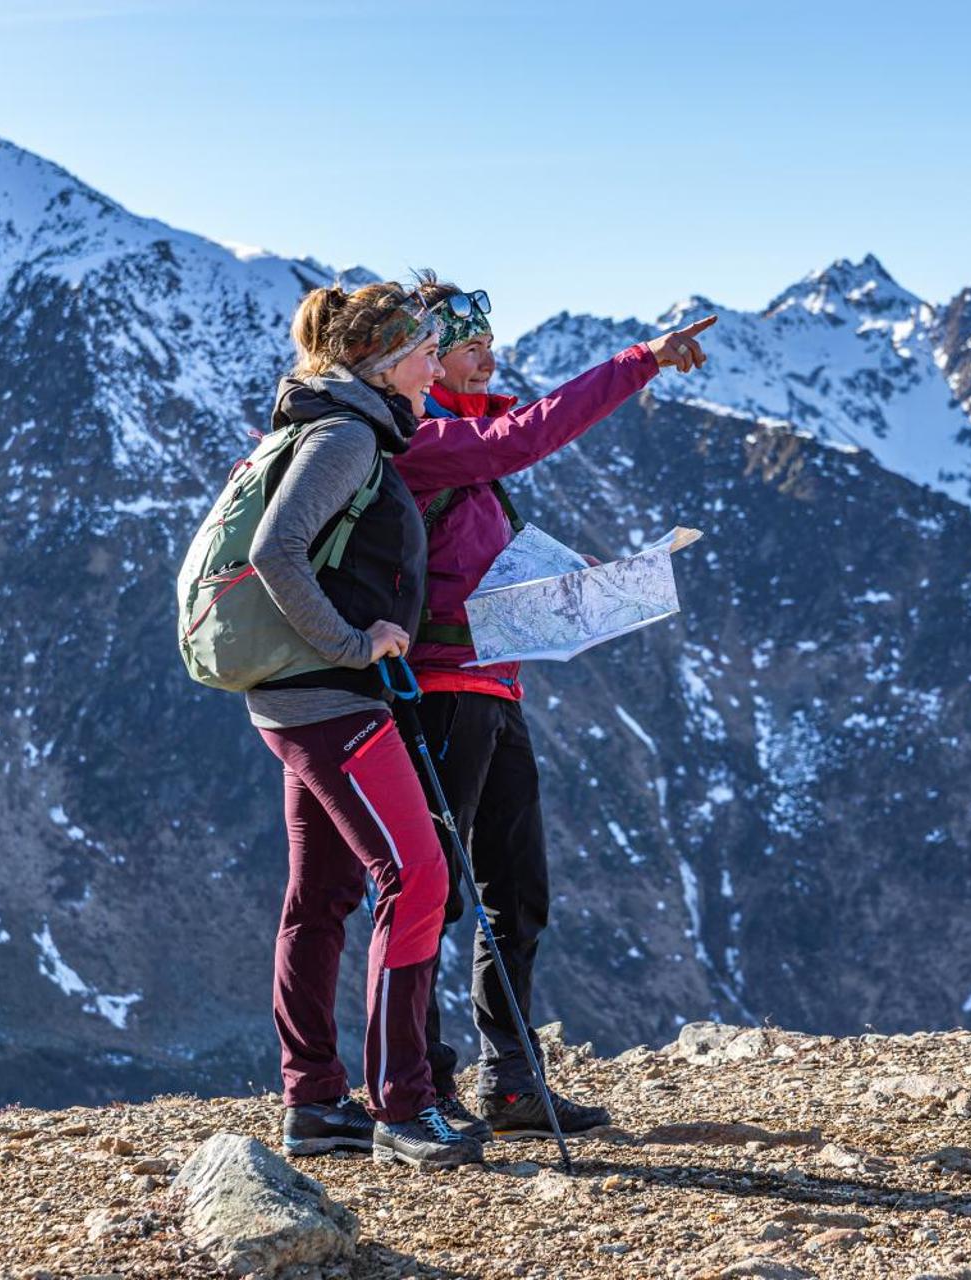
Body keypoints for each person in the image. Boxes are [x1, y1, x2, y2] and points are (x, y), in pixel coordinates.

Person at [391, 275, 715, 1139]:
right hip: (439, 691)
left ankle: (510, 1080)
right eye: (466, 346)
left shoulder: (468, 442)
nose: (487, 355)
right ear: (421, 356)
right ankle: (423, 1084)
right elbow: (524, 437)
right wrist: (639, 360)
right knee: (440, 892)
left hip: (494, 685)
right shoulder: (424, 438)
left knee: (516, 891)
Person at [244, 279, 478, 1169]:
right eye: (424, 352)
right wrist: (351, 643)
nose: (433, 365)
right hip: (332, 700)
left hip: (298, 698)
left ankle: (315, 1106)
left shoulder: (335, 427)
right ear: (383, 363)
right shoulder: (345, 436)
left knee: (322, 896)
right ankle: (402, 1109)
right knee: (415, 878)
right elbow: (275, 550)